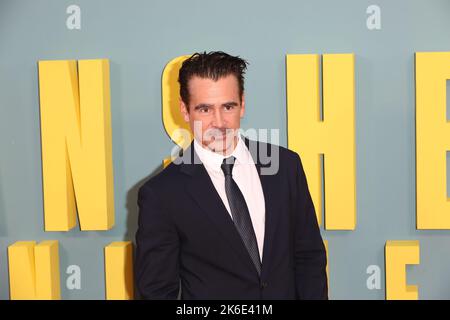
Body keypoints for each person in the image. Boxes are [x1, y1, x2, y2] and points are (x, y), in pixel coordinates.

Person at [134, 51, 328, 299]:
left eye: (228, 106)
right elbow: (156, 292)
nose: (219, 122)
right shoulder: (162, 194)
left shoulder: (286, 166)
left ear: (242, 104)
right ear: (185, 111)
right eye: (204, 109)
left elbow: (309, 257)